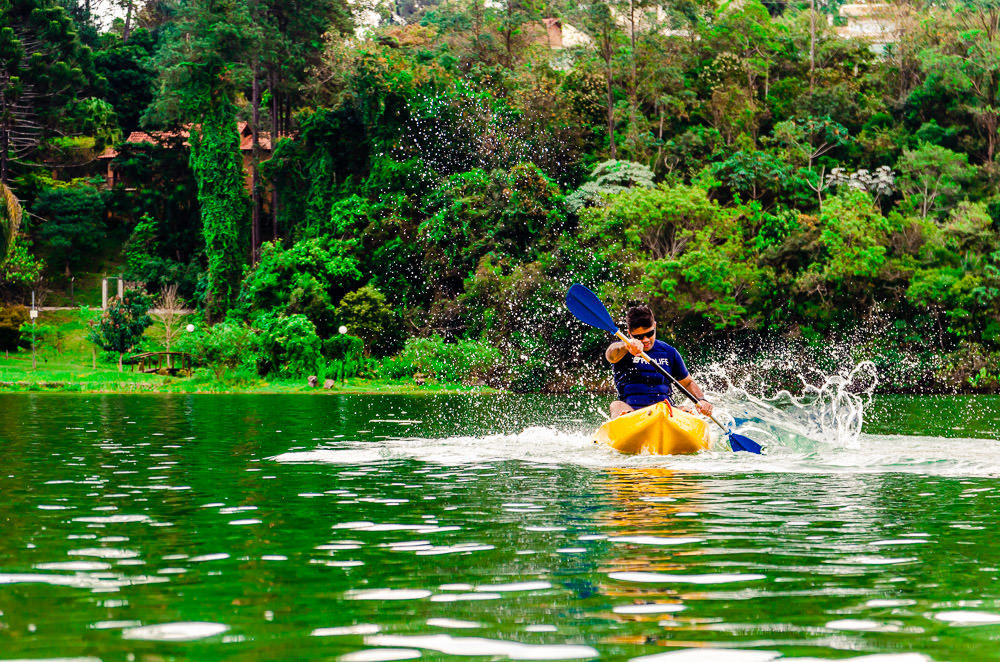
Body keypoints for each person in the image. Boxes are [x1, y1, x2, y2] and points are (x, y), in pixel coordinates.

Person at [605, 304, 713, 418]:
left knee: (685, 410)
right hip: (633, 413)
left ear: (655, 326)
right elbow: (610, 355)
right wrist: (626, 346)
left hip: (664, 412)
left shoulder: (669, 352)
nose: (645, 340)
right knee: (615, 405)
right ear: (630, 333)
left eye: (649, 333)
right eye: (639, 337)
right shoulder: (621, 351)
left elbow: (687, 382)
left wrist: (701, 400)